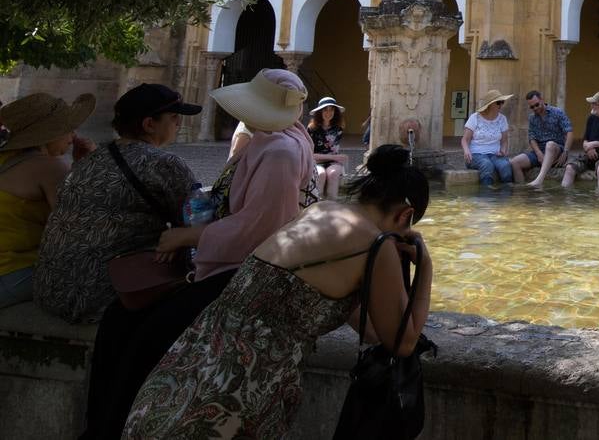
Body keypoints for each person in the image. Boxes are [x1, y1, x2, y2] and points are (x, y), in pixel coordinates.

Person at [122, 144, 433, 440]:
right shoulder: (376, 244)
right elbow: (402, 342)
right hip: (236, 394)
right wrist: (426, 266)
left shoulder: (319, 211)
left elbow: (370, 329)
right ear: (405, 216)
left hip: (188, 368)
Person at [80, 69, 315, 440]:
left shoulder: (280, 152)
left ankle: (113, 428)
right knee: (119, 319)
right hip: (226, 262)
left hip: (244, 273)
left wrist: (187, 237)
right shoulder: (270, 141)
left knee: (148, 339)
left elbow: (258, 230)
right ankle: (102, 425)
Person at [35, 84, 200, 324]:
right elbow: (199, 221)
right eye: (174, 117)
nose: (179, 124)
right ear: (149, 124)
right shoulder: (165, 163)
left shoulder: (90, 159)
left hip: (52, 288)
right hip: (107, 294)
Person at [0, 92, 95, 308]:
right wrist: (88, 166)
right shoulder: (49, 167)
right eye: (68, 129)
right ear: (49, 134)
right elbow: (77, 229)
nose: (73, 136)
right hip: (11, 272)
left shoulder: (5, 158)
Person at [513, 90, 573, 187]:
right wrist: (538, 153)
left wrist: (565, 152)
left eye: (537, 105)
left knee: (550, 144)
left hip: (556, 149)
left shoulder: (557, 112)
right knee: (515, 162)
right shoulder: (532, 118)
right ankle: (521, 190)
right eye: (532, 107)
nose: (535, 108)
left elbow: (569, 132)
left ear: (542, 100)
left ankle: (539, 180)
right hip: (540, 151)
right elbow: (532, 137)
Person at [461, 90, 514, 187]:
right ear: (490, 104)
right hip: (476, 155)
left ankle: (506, 196)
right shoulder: (475, 117)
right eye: (499, 102)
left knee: (505, 166)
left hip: (495, 154)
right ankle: (486, 196)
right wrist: (466, 151)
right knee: (487, 165)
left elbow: (504, 141)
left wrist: (502, 151)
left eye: (502, 102)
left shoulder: (502, 119)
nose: (501, 105)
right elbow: (465, 140)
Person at [307, 96, 349, 200]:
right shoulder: (312, 129)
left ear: (335, 112)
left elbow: (333, 151)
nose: (328, 112)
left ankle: (331, 205)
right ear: (320, 112)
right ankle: (317, 204)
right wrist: (337, 157)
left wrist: (335, 158)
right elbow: (309, 154)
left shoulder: (338, 128)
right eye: (325, 109)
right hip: (316, 161)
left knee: (333, 174)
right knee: (321, 174)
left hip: (333, 162)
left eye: (331, 109)